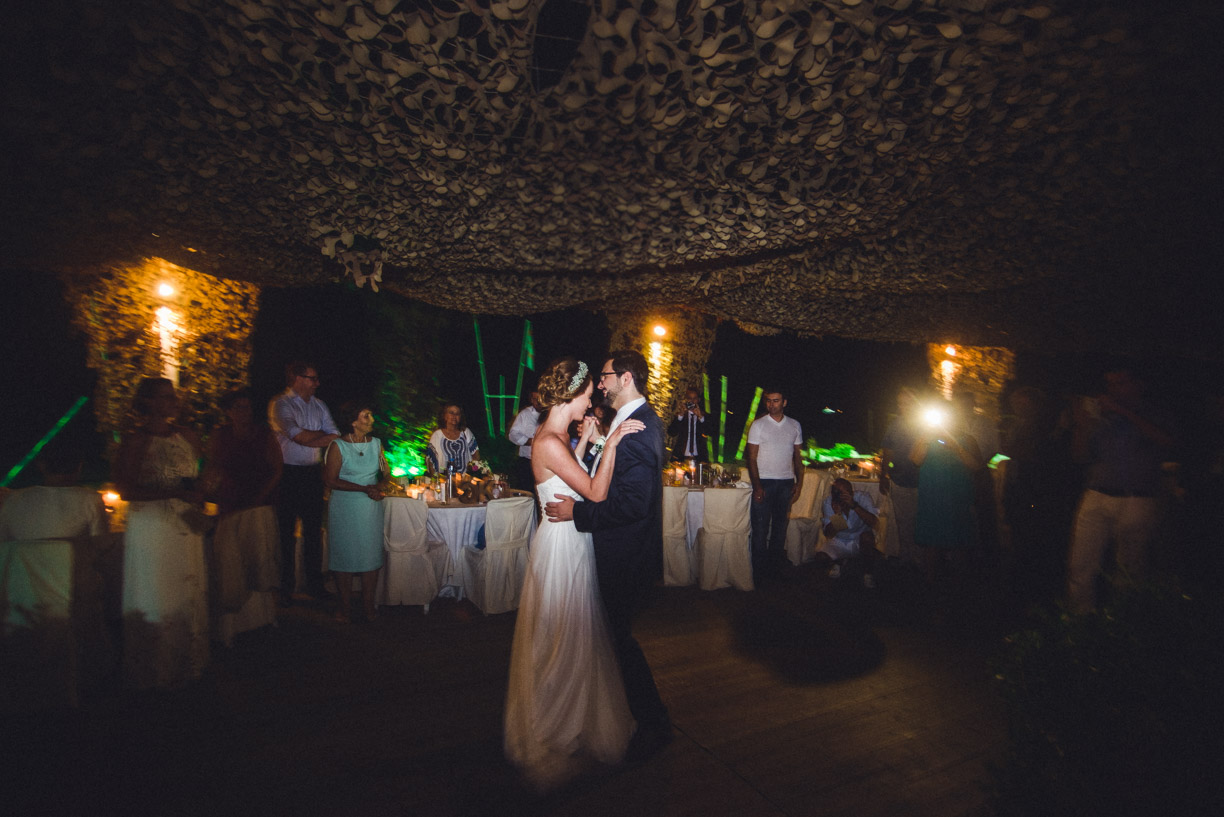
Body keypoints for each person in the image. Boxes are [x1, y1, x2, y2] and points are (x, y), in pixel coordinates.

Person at [504, 357, 643, 790]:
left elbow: (568, 474)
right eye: (587, 396)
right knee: (560, 633)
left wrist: (586, 445)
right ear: (571, 394)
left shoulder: (557, 436)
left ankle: (574, 716)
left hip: (569, 539)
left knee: (574, 629)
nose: (592, 402)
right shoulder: (547, 440)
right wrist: (613, 443)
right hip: (561, 547)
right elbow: (596, 492)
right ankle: (553, 724)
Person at [544, 350, 672, 763]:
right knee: (608, 638)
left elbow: (634, 503)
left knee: (619, 640)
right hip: (614, 549)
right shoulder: (630, 421)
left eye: (604, 376)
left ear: (627, 378)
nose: (599, 384)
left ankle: (654, 723)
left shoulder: (640, 428)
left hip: (624, 555)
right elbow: (613, 477)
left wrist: (577, 512)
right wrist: (599, 443)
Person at [112, 377, 209, 688]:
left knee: (186, 587)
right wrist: (169, 493)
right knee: (157, 589)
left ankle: (188, 661)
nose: (173, 401)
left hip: (185, 522)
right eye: (165, 397)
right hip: (152, 526)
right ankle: (155, 667)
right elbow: (125, 490)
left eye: (173, 396)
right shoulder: (136, 441)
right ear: (149, 402)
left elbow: (201, 474)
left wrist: (203, 489)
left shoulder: (189, 436)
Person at [1065, 365, 1174, 614]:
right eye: (1110, 384)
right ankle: (1078, 623)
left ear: (1139, 384)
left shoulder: (1153, 413)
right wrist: (1082, 426)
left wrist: (1121, 411)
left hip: (1137, 498)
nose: (1113, 389)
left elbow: (1167, 440)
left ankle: (1125, 624)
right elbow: (1080, 456)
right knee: (1081, 563)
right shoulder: (1102, 418)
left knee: (1130, 567)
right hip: (1097, 494)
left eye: (1120, 383)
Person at [269, 361, 339, 604]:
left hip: (312, 474)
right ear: (297, 378)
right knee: (286, 532)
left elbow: (335, 436)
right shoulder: (281, 404)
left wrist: (308, 438)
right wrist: (313, 436)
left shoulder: (320, 405)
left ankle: (314, 584)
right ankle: (286, 587)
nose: (317, 383)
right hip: (287, 474)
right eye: (312, 378)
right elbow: (296, 435)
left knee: (313, 532)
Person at [322, 404, 388, 623]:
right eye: (366, 416)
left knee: (370, 553)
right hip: (345, 506)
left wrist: (379, 487)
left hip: (370, 507)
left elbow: (386, 473)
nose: (371, 419)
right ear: (353, 421)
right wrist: (363, 489)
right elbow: (331, 480)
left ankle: (369, 607)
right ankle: (345, 608)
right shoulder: (337, 446)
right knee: (345, 555)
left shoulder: (377, 444)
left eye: (370, 415)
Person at [911, 399, 982, 584]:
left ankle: (961, 586)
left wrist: (956, 447)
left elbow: (976, 466)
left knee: (959, 542)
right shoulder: (925, 437)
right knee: (932, 542)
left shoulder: (967, 439)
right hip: (932, 497)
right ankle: (931, 583)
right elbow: (916, 460)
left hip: (957, 498)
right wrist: (926, 437)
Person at [746, 389, 805, 577]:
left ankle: (774, 571)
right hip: (764, 482)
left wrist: (799, 483)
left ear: (784, 402)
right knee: (760, 530)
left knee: (780, 531)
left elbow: (798, 457)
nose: (772, 404)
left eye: (776, 401)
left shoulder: (795, 425)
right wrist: (757, 486)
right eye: (769, 401)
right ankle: (759, 574)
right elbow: (751, 458)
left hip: (786, 483)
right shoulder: (758, 425)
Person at [0, 443, 107, 541]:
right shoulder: (91, 500)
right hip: (71, 562)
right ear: (79, 467)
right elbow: (100, 544)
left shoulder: (12, 499)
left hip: (20, 562)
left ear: (41, 465)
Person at [204, 388, 282, 517]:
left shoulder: (264, 435)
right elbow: (213, 465)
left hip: (259, 500)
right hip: (229, 499)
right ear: (228, 411)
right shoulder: (221, 434)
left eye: (247, 407)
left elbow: (277, 469)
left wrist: (260, 497)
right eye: (239, 408)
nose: (244, 412)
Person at [880, 386, 924, 566]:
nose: (902, 406)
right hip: (901, 480)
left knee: (923, 521)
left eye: (906, 402)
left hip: (925, 482)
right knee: (903, 523)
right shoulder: (895, 425)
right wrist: (884, 475)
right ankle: (907, 559)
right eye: (900, 403)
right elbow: (887, 452)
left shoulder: (926, 425)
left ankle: (923, 557)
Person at [816, 477, 880, 587]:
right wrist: (838, 516)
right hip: (839, 540)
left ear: (851, 492)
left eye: (846, 492)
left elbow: (874, 523)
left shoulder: (863, 497)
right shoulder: (829, 503)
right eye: (838, 493)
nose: (843, 496)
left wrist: (854, 506)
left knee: (868, 538)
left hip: (859, 539)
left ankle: (868, 573)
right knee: (820, 558)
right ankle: (839, 562)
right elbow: (829, 534)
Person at [426, 403, 480, 476]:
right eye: (451, 413)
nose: (454, 416)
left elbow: (476, 456)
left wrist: (474, 472)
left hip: (465, 481)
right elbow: (431, 461)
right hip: (444, 480)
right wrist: (435, 480)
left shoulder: (466, 432)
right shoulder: (437, 435)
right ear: (445, 415)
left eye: (457, 414)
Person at [507, 390, 543, 491]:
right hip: (527, 463)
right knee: (527, 494)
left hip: (544, 464)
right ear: (531, 400)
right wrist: (530, 442)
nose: (538, 402)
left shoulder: (550, 414)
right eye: (535, 399)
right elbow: (513, 434)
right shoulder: (525, 414)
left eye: (540, 398)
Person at [668, 385, 707, 463]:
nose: (692, 401)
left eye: (694, 398)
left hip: (699, 457)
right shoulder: (681, 416)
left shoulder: (703, 416)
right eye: (689, 398)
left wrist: (700, 417)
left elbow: (709, 432)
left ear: (698, 400)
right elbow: (671, 432)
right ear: (686, 400)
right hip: (681, 457)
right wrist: (680, 416)